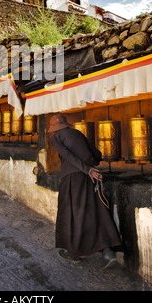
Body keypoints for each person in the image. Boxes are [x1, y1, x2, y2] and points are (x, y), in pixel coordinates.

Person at [48, 113, 121, 269]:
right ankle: (108, 252)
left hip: (73, 178)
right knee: (96, 210)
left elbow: (67, 155)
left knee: (72, 213)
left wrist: (86, 170)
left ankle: (73, 252)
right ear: (66, 124)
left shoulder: (55, 137)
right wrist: (90, 168)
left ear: (54, 128)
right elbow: (97, 154)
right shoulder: (77, 133)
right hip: (90, 176)